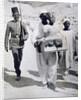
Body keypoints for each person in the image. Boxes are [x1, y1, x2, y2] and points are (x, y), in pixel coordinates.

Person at [32, 10, 60, 90]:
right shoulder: (38, 25)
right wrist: (35, 42)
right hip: (41, 48)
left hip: (52, 48)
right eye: (42, 16)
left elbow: (57, 35)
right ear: (40, 17)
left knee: (53, 65)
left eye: (45, 16)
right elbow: (34, 36)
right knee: (42, 65)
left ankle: (52, 82)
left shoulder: (52, 24)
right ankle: (44, 82)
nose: (44, 18)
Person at [4, 7, 28, 81]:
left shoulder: (22, 23)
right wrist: (6, 45)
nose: (16, 16)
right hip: (13, 43)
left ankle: (17, 67)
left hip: (21, 43)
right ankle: (18, 73)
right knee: (15, 58)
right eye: (15, 15)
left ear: (19, 15)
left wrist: (25, 37)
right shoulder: (9, 24)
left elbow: (27, 33)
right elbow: (7, 35)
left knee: (20, 58)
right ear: (13, 15)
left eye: (17, 15)